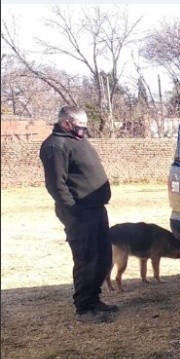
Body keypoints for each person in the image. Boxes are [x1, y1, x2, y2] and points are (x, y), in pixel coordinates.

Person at [40, 105, 118, 324]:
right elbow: (56, 185)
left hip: (96, 208)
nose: (84, 129)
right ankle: (84, 308)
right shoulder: (56, 145)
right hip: (79, 212)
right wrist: (74, 210)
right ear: (67, 123)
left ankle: (94, 299)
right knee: (87, 258)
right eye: (80, 125)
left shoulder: (77, 140)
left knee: (103, 256)